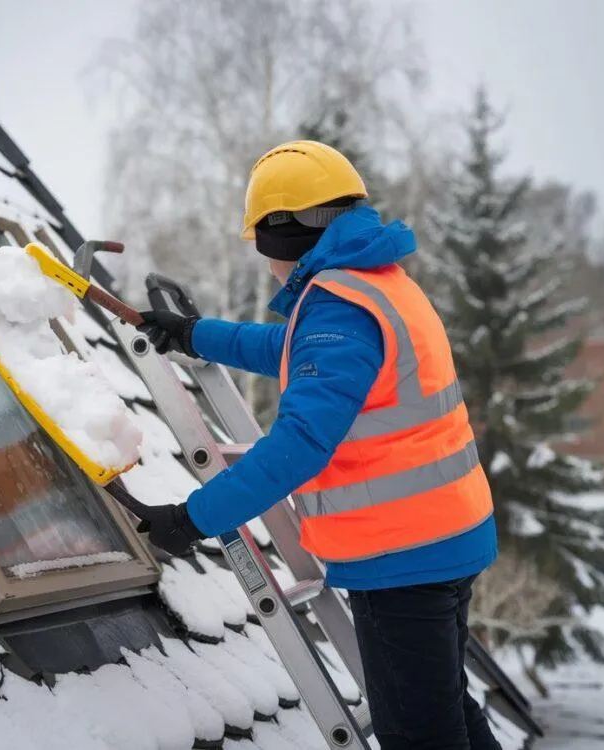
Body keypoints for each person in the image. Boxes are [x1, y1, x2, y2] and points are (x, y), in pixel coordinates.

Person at [134, 140, 500, 750]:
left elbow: (300, 444)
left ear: (281, 234)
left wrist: (193, 518)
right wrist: (197, 336)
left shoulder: (338, 307)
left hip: (401, 558)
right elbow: (290, 351)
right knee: (446, 715)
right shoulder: (376, 287)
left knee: (419, 733)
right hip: (447, 538)